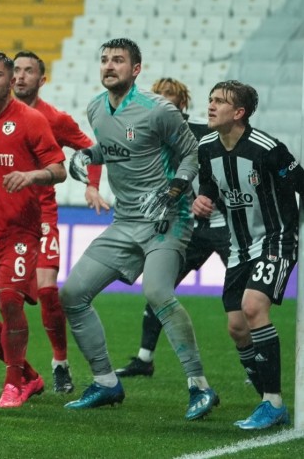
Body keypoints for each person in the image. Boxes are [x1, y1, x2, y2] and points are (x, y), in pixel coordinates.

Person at [62, 38, 218, 420]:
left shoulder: (160, 110)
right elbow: (114, 149)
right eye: (104, 60)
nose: (109, 66)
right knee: (72, 293)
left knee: (157, 291)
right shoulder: (96, 108)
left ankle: (200, 387)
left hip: (168, 218)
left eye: (118, 60)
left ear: (136, 69)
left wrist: (175, 189)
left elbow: (191, 152)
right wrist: (85, 157)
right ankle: (106, 382)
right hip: (126, 221)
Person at [0, 50, 101, 395]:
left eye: (26, 72)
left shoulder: (46, 118)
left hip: (34, 218)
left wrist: (91, 185)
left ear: (39, 79)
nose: (20, 76)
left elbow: (84, 153)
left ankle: (54, 366)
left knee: (37, 290)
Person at [194, 80, 302, 430]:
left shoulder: (268, 149)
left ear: (238, 113)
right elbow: (209, 187)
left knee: (254, 307)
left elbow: (300, 182)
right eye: (210, 99)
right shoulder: (207, 147)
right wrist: (202, 199)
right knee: (237, 328)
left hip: (276, 239)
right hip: (239, 246)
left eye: (220, 102)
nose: (210, 106)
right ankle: (266, 399)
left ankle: (272, 403)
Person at [114, 77, 230, 379]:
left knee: (244, 298)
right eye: (158, 97)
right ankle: (144, 359)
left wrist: (210, 196)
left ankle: (257, 362)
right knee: (159, 290)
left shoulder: (205, 133)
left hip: (227, 226)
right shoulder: (153, 136)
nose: (163, 102)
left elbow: (228, 171)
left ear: (182, 104)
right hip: (192, 229)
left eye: (170, 98)